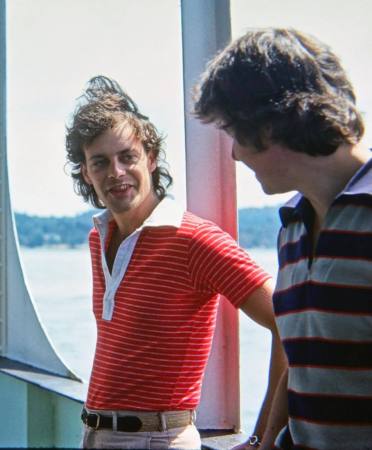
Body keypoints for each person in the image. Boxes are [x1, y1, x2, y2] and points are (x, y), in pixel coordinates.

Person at [65, 75, 286, 450]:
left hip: (158, 438)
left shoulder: (193, 240)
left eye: (127, 157)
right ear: (86, 173)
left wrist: (262, 438)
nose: (115, 173)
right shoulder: (98, 236)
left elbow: (289, 321)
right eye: (100, 162)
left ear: (150, 159)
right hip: (95, 434)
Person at [193, 27, 372, 450]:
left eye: (235, 133)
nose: (234, 154)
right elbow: (302, 359)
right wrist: (264, 440)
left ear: (271, 126)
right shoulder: (292, 226)